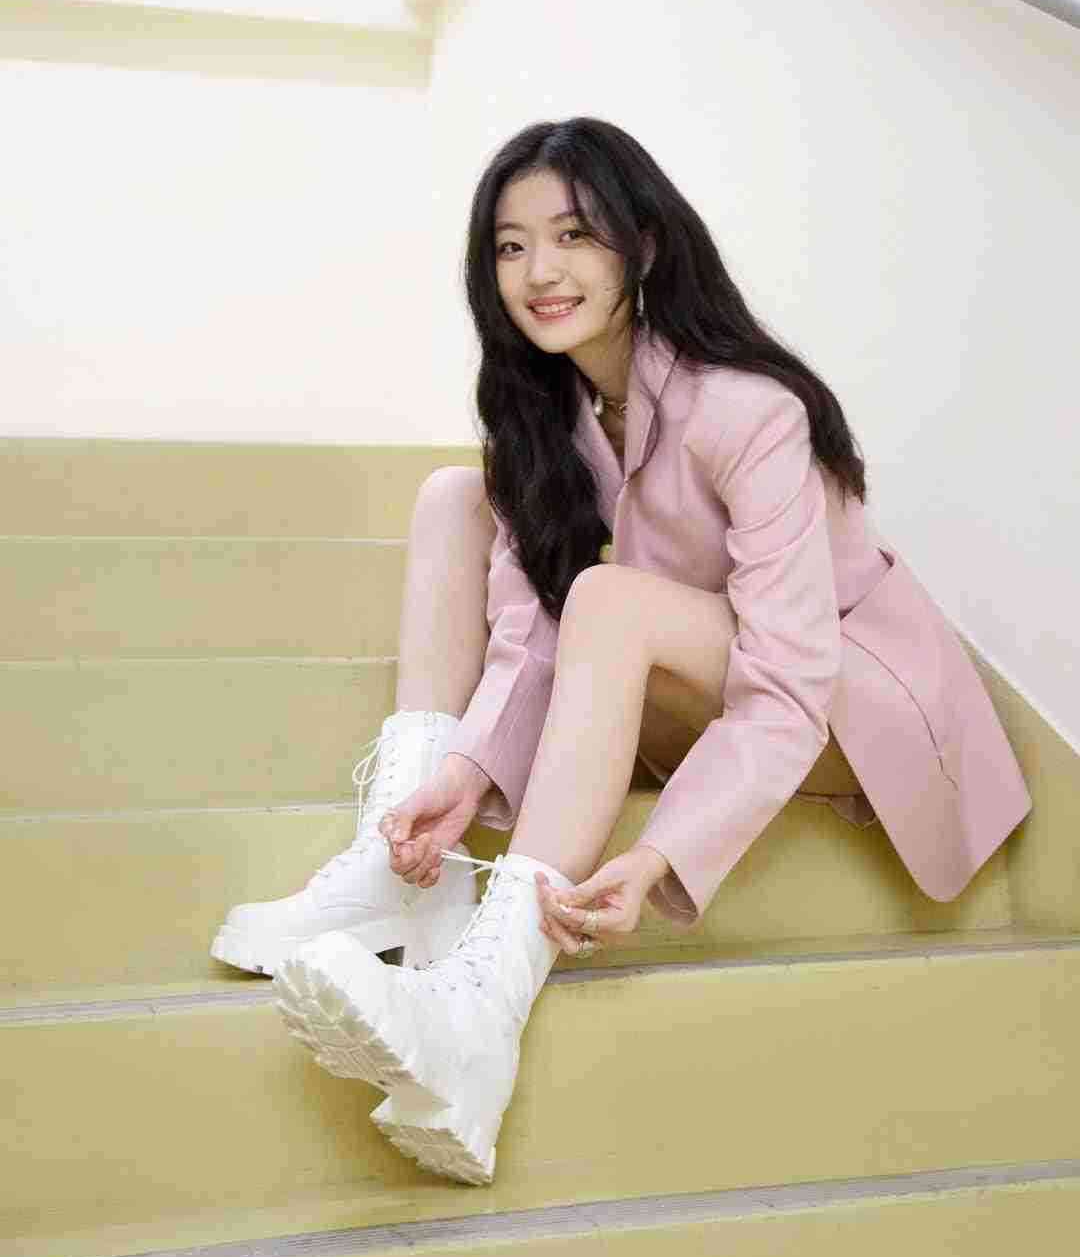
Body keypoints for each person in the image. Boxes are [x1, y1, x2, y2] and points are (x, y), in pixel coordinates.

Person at [214, 117, 1031, 1187]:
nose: (539, 273)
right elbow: (526, 637)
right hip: (700, 681)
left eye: (573, 236)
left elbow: (786, 688)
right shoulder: (550, 414)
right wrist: (463, 774)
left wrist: (660, 854)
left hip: (848, 710)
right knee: (457, 496)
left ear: (642, 245)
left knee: (606, 597)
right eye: (510, 246)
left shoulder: (749, 409)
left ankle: (482, 1009)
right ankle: (398, 867)